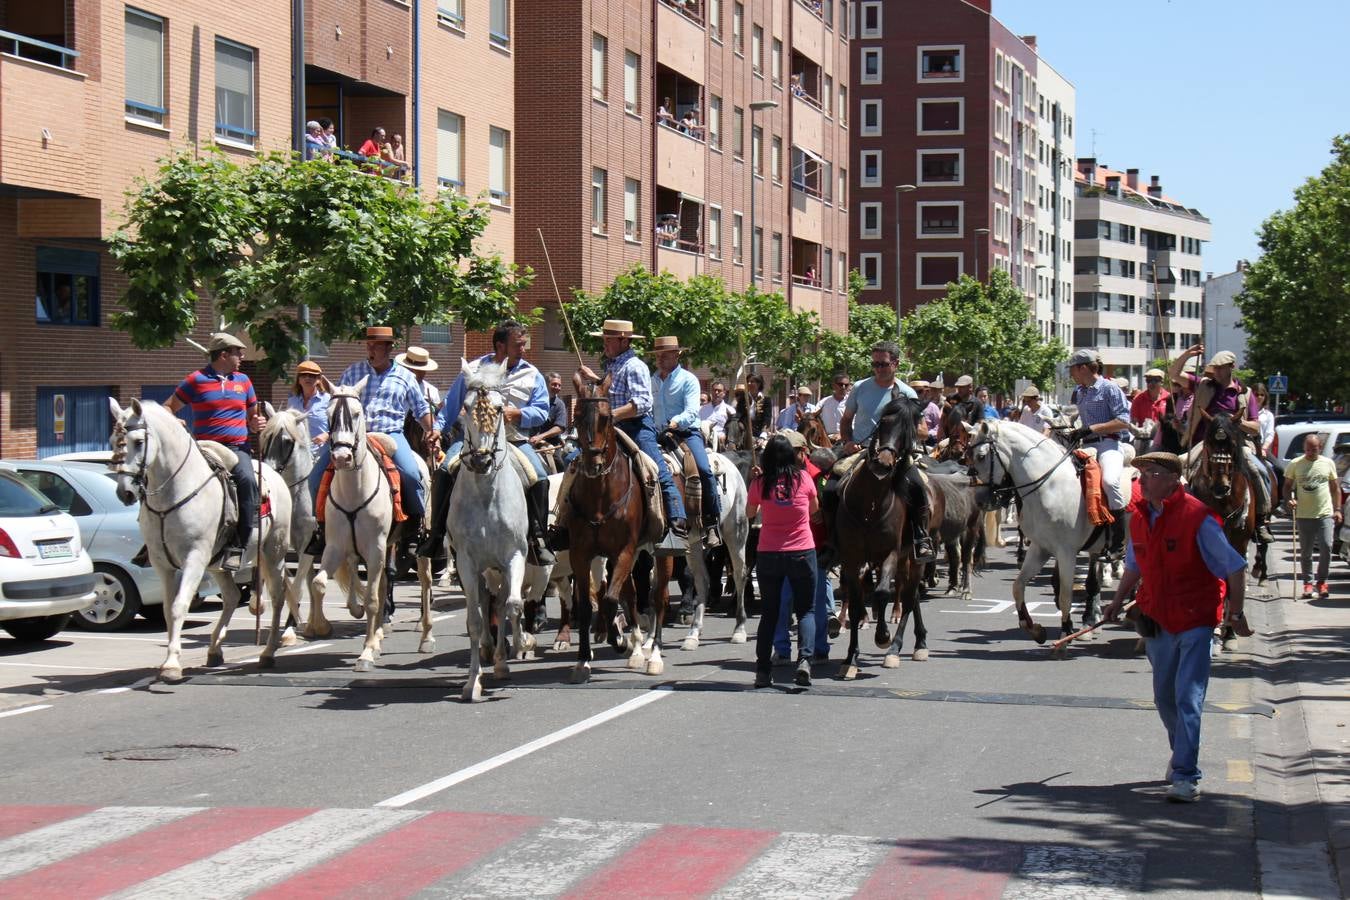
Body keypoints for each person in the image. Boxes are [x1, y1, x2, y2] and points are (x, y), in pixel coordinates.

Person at [1103, 451, 1252, 803]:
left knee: (1188, 698)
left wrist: (1236, 612)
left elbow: (1234, 567)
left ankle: (1186, 774)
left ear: (1174, 478)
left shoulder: (1198, 518)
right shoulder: (1138, 518)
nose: (1142, 481)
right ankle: (1181, 751)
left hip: (1195, 620)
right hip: (1157, 619)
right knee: (1164, 698)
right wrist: (1116, 600)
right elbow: (1134, 565)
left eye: (1151, 473)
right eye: (1140, 474)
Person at [420, 321, 555, 564]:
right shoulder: (473, 369)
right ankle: (436, 534)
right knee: (443, 470)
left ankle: (538, 539)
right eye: (518, 345)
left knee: (539, 477)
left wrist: (519, 414)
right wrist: (437, 429)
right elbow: (451, 405)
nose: (523, 349)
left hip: (513, 440)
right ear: (500, 345)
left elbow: (542, 410)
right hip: (472, 440)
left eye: (524, 344)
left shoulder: (532, 374)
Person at [307, 326, 436, 555]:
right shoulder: (352, 372)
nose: (370, 350)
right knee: (316, 475)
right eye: (368, 345)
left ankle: (414, 528)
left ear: (389, 348)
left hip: (391, 435)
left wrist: (432, 431)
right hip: (354, 437)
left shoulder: (405, 377)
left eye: (375, 345)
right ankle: (321, 527)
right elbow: (338, 406)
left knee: (411, 474)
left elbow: (421, 409)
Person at [556, 319, 688, 540]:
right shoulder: (612, 365)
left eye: (608, 340)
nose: (605, 344)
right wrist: (596, 380)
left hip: (637, 426)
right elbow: (613, 393)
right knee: (573, 461)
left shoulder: (635, 366)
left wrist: (611, 416)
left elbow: (642, 402)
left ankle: (676, 519)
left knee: (656, 468)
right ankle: (562, 522)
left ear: (624, 341)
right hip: (610, 426)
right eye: (604, 340)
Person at [165, 333, 263, 571]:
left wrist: (257, 423)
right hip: (205, 449)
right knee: (170, 481)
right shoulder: (196, 380)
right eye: (238, 352)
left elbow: (254, 417)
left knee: (248, 481)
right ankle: (156, 541)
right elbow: (168, 407)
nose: (242, 356)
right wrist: (173, 420)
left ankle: (238, 546)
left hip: (236, 449)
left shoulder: (244, 381)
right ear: (223, 354)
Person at [837, 341, 934, 562]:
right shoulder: (860, 387)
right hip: (862, 451)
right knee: (832, 485)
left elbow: (923, 431)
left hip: (896, 455)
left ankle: (921, 538)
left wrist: (900, 434)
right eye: (875, 364)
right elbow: (846, 420)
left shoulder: (907, 394)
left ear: (895, 364)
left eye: (883, 364)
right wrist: (847, 441)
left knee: (919, 487)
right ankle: (832, 541)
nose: (878, 369)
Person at [1169, 346, 1274, 542]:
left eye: (1220, 368)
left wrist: (1234, 422)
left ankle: (1261, 519)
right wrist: (1187, 354)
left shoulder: (1245, 393)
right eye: (1214, 368)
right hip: (1206, 443)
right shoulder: (1203, 385)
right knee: (1178, 466)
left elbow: (1255, 426)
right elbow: (1173, 373)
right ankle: (1176, 517)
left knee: (1258, 469)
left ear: (1231, 367)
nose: (1216, 371)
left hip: (1236, 444)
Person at [747, 433, 820, 688]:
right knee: (806, 611)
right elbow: (814, 510)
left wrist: (756, 482)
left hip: (769, 552)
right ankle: (804, 662)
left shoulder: (760, 483)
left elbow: (749, 513)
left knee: (769, 613)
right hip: (801, 550)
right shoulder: (804, 478)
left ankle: (763, 670)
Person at [651, 336, 722, 547]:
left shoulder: (688, 380)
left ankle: (711, 522)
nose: (660, 358)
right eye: (657, 355)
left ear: (676, 355)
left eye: (664, 354)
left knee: (703, 469)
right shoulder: (652, 380)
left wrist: (675, 422)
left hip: (685, 433)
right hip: (656, 434)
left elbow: (692, 411)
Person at [772, 429, 834, 664]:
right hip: (781, 547)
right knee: (782, 600)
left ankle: (819, 648)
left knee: (814, 603)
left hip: (812, 547)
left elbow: (819, 513)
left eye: (789, 451)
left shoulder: (817, 476)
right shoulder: (776, 474)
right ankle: (782, 648)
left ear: (802, 452)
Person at [1065, 349, 1131, 561]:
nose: (1071, 374)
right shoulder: (1079, 391)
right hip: (1087, 445)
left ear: (1083, 367)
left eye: (1072, 369)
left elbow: (1123, 421)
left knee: (1111, 482)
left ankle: (1118, 542)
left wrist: (1092, 428)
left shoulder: (1110, 388)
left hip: (1108, 444)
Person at [1283, 433, 1342, 600]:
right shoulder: (1295, 464)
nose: (1310, 452)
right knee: (1306, 552)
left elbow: (1335, 488)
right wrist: (1289, 500)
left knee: (1327, 547)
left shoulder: (1327, 463)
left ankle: (1321, 581)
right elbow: (1287, 487)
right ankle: (1308, 583)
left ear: (1320, 448)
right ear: (1304, 448)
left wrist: (1337, 509)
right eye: (1307, 449)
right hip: (1304, 514)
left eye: (1314, 449)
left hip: (1325, 513)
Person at [286, 360, 330, 459]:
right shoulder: (292, 401)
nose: (307, 378)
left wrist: (327, 435)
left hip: (322, 453)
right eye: (303, 375)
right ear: (298, 379)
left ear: (319, 379)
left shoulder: (328, 400)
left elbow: (338, 426)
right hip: (297, 455)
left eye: (312, 376)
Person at [396, 346, 441, 419]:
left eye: (422, 370)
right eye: (410, 369)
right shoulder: (395, 386)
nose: (412, 372)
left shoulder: (432, 391)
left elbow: (435, 416)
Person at [530, 372, 569, 450]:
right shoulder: (534, 400)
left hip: (551, 444)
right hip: (529, 441)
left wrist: (540, 437)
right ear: (546, 385)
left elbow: (559, 428)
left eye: (559, 385)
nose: (557, 387)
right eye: (554, 384)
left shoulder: (559, 404)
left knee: (558, 461)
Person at [1131, 368, 1170, 436]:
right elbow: (1135, 421)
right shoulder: (1138, 399)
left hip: (1163, 436)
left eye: (1155, 380)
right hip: (1143, 437)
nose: (1152, 383)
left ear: (1162, 382)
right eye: (1148, 380)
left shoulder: (1169, 398)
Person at [816, 375, 851, 441]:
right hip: (826, 440)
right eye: (840, 384)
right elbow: (813, 417)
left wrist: (841, 434)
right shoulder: (823, 403)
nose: (843, 387)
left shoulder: (852, 402)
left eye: (846, 385)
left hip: (848, 440)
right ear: (834, 386)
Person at [745, 373, 774, 440]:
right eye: (748, 382)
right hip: (745, 432)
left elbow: (767, 419)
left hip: (759, 432)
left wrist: (763, 434)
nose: (749, 383)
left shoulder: (766, 400)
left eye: (752, 382)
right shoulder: (743, 399)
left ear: (758, 384)